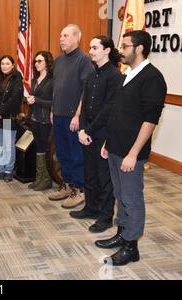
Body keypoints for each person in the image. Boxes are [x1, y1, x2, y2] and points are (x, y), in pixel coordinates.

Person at [97, 30, 167, 266]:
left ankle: (131, 247)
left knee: (132, 198)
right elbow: (119, 113)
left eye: (125, 46)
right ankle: (122, 234)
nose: (121, 50)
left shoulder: (153, 78)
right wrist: (108, 141)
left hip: (131, 154)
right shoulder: (127, 73)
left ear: (138, 49)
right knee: (120, 195)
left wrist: (134, 153)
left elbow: (149, 121)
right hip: (116, 147)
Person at [69, 36, 122, 233]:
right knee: (89, 173)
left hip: (102, 135)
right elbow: (84, 105)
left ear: (107, 50)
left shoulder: (115, 76)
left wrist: (88, 130)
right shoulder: (92, 74)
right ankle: (90, 208)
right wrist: (82, 129)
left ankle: (105, 216)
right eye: (90, 47)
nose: (90, 51)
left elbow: (108, 109)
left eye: (95, 47)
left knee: (104, 177)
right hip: (87, 133)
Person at [49, 24, 94, 209]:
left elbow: (86, 91)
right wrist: (52, 110)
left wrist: (77, 115)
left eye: (65, 35)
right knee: (62, 153)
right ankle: (67, 185)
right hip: (58, 115)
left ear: (77, 38)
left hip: (73, 118)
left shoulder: (84, 60)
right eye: (60, 35)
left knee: (76, 155)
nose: (61, 39)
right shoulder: (59, 61)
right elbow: (56, 89)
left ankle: (79, 190)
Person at [0, 55, 24, 183]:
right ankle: (0, 169)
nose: (4, 66)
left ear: (13, 65)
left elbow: (15, 98)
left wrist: (0, 112)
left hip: (7, 117)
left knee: (8, 146)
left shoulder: (16, 78)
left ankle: (8, 170)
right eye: (2, 64)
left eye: (7, 63)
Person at [26, 51, 54, 191]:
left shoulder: (52, 80)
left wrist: (36, 100)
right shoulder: (34, 79)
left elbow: (53, 102)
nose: (36, 64)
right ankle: (39, 178)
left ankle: (47, 180)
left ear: (47, 62)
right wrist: (30, 100)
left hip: (46, 119)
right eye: (35, 61)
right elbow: (33, 97)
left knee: (45, 148)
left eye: (40, 61)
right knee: (39, 148)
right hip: (34, 118)